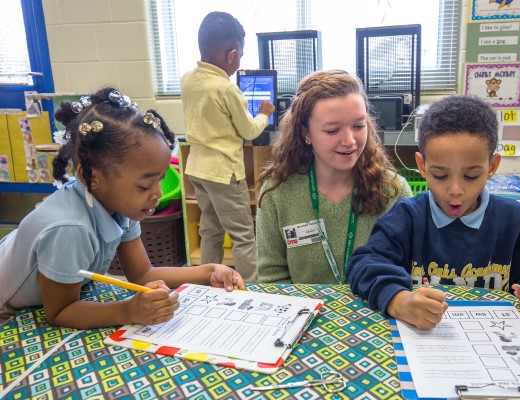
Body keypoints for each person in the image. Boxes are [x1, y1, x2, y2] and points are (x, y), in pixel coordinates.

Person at [0, 87, 245, 328]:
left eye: (159, 180)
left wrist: (209, 271)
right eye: (143, 186)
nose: (157, 194)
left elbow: (142, 274)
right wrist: (128, 310)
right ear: (90, 176)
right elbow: (60, 311)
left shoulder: (117, 206)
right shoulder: (70, 228)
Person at [347, 95, 520, 329]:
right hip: (425, 342)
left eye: (471, 176)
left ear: (492, 166)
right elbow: (363, 265)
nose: (455, 190)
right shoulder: (407, 217)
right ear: (422, 166)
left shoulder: (516, 220)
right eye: (440, 175)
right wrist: (398, 299)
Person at [255, 70, 413, 284]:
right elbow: (272, 278)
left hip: (375, 312)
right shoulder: (277, 192)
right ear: (306, 133)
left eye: (359, 126)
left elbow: (406, 273)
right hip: (305, 313)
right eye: (332, 130)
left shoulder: (393, 191)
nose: (349, 141)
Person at [180, 11, 275, 282]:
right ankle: (252, 289)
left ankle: (205, 283)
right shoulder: (226, 89)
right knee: (243, 236)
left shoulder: (188, 79)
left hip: (197, 168)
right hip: (224, 173)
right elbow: (248, 130)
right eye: (241, 56)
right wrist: (264, 113)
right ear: (231, 55)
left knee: (209, 229)